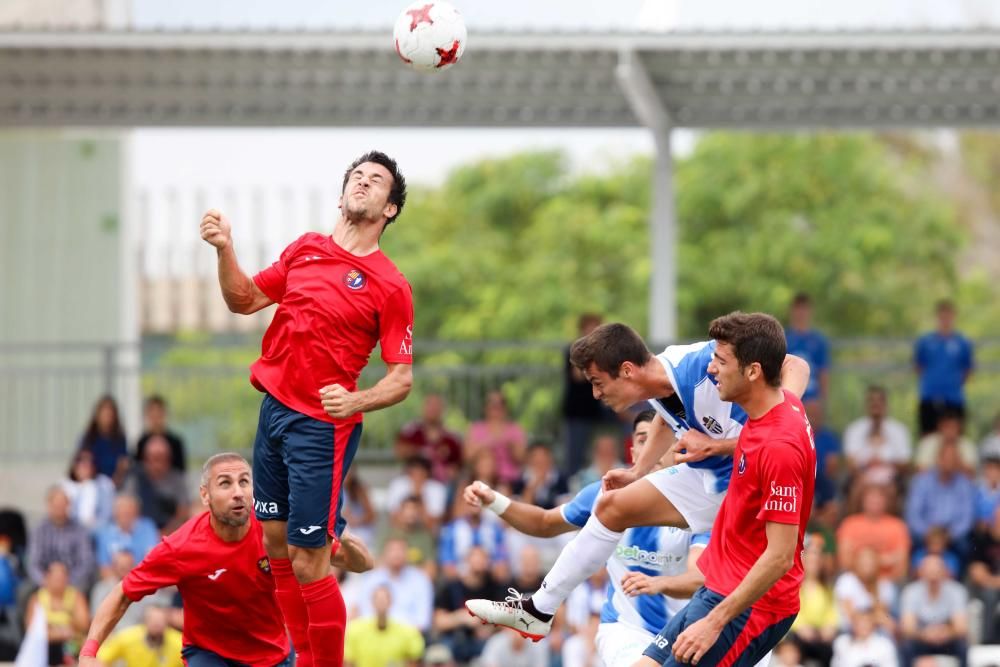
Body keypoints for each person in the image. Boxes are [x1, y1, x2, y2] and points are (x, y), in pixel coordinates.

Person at [465, 317, 810, 640]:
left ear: (627, 371)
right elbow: (665, 416)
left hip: (746, 490)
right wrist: (638, 471)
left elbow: (795, 367)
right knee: (612, 505)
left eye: (599, 383)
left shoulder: (704, 365)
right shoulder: (662, 383)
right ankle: (540, 610)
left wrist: (719, 444)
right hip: (711, 479)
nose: (597, 395)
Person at [200, 150, 413, 667]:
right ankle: (297, 658)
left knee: (308, 558)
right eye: (356, 177)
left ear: (390, 209)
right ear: (341, 194)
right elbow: (245, 300)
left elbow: (402, 378)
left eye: (376, 181)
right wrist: (225, 249)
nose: (363, 183)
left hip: (323, 426)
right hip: (273, 410)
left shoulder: (390, 284)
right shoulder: (306, 249)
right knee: (275, 547)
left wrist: (356, 399)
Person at [464, 410, 715, 667]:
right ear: (633, 454)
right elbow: (544, 522)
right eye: (642, 439)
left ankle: (537, 609)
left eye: (660, 439)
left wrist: (658, 583)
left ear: (676, 447)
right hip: (624, 629)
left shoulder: (699, 505)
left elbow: (700, 578)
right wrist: (495, 501)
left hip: (688, 630)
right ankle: (538, 609)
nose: (651, 448)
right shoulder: (606, 494)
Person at [638, 312, 817, 666]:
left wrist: (715, 622)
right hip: (718, 585)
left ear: (753, 372)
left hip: (747, 607)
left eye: (720, 361)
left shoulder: (780, 445)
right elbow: (796, 365)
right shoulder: (767, 409)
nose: (710, 370)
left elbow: (780, 557)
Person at [80, 453, 374, 667]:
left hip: (273, 656)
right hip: (208, 655)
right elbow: (122, 594)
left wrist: (339, 531)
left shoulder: (277, 531)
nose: (238, 493)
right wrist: (88, 653)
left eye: (244, 482)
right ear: (205, 495)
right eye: (225, 483)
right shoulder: (181, 547)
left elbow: (362, 564)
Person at [562, 313, 615, 476]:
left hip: (598, 410)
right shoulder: (574, 350)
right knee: (575, 454)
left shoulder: (604, 352)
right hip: (577, 411)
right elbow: (578, 376)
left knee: (605, 445)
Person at [914, 299, 974, 435]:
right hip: (929, 397)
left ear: (954, 317)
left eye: (948, 316)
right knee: (928, 438)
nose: (945, 320)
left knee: (955, 439)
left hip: (954, 398)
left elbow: (967, 369)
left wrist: (953, 383)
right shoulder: (925, 341)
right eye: (942, 316)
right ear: (937, 317)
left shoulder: (962, 343)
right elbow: (918, 367)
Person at [905, 441, 975, 557]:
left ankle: (957, 572)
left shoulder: (965, 484)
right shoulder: (922, 481)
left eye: (953, 459)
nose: (949, 462)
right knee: (910, 537)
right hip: (926, 533)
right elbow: (913, 514)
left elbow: (967, 518)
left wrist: (949, 535)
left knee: (967, 544)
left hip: (952, 536)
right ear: (938, 459)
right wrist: (928, 533)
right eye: (946, 458)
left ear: (958, 461)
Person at [900, 555, 968, 667]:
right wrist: (924, 634)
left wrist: (947, 633)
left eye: (936, 572)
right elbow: (907, 627)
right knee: (906, 647)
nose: (933, 576)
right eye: (929, 572)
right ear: (921, 573)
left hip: (947, 639)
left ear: (944, 572)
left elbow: (961, 627)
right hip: (922, 637)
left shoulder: (956, 590)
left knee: (962, 646)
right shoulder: (911, 591)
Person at [355, 537, 434, 633]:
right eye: (392, 550)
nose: (396, 554)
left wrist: (395, 633)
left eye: (400, 550)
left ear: (408, 554)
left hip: (409, 638)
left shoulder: (420, 580)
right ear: (384, 554)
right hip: (375, 635)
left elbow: (423, 621)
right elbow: (364, 614)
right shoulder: (371, 579)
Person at [836, 484, 911, 581]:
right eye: (871, 499)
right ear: (862, 500)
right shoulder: (849, 524)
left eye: (879, 499)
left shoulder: (898, 526)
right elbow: (844, 562)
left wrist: (864, 560)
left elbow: (901, 565)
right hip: (855, 581)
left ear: (886, 501)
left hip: (887, 582)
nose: (875, 502)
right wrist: (885, 560)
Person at [842, 385, 911, 488]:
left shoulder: (900, 430)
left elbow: (905, 465)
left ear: (886, 405)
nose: (876, 404)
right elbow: (850, 464)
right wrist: (866, 468)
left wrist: (884, 463)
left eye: (880, 400)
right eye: (872, 401)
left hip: (891, 478)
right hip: (861, 477)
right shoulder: (854, 429)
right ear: (866, 405)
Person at [27, 486, 95, 590]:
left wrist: (67, 581)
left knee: (85, 587)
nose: (59, 508)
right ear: (49, 505)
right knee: (25, 592)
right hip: (45, 580)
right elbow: (33, 562)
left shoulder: (80, 530)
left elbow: (85, 562)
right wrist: (45, 581)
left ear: (69, 505)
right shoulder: (39, 530)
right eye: (56, 505)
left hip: (72, 580)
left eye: (62, 505)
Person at [122, 434, 190, 533]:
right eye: (154, 458)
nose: (158, 464)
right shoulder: (135, 478)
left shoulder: (177, 479)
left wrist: (165, 533)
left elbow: (183, 512)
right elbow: (126, 508)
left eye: (162, 458)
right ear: (145, 459)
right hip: (139, 533)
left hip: (171, 533)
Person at [26, 561, 90, 664]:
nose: (59, 582)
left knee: (76, 647)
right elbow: (33, 631)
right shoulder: (37, 599)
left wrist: (53, 627)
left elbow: (84, 625)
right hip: (46, 647)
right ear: (47, 578)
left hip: (71, 645)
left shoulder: (76, 597)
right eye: (56, 578)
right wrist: (63, 631)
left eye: (62, 578)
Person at [344, 586, 425, 667]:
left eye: (384, 599)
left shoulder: (408, 632)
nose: (381, 603)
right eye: (378, 599)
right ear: (372, 602)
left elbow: (415, 659)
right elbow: (348, 662)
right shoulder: (355, 630)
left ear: (390, 602)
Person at [394, 394, 463, 483]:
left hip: (442, 484)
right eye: (430, 405)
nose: (433, 410)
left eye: (436, 406)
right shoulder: (411, 431)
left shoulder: (452, 438)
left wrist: (451, 472)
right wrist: (422, 452)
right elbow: (399, 451)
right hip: (412, 480)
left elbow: (459, 465)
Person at [465, 390, 527, 486]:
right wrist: (489, 441)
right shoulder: (476, 428)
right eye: (492, 403)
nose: (496, 408)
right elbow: (467, 456)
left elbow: (522, 458)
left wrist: (510, 444)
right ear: (485, 407)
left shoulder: (514, 429)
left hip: (509, 480)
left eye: (500, 404)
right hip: (482, 479)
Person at [95, 605, 184, 667]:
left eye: (160, 620)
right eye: (153, 620)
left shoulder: (179, 643)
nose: (157, 624)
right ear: (145, 622)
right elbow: (100, 659)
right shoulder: (128, 638)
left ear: (167, 623)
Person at [94, 495, 160, 578]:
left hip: (142, 579)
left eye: (128, 513)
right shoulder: (105, 533)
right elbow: (104, 569)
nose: (125, 516)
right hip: (115, 582)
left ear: (136, 512)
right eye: (122, 512)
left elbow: (152, 560)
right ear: (115, 513)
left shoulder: (147, 527)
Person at [783, 293, 829, 409]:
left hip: (811, 398)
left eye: (804, 308)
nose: (801, 313)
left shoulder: (818, 340)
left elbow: (823, 372)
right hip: (789, 395)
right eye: (798, 308)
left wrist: (822, 401)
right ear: (792, 311)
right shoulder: (784, 337)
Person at [77, 395, 129, 486]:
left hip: (115, 483)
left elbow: (123, 464)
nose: (107, 416)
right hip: (92, 483)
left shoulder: (120, 439)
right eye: (104, 413)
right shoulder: (88, 438)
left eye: (110, 413)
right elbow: (82, 464)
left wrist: (115, 481)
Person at [61, 448, 116, 532]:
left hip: (99, 531)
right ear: (75, 465)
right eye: (82, 463)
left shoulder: (105, 484)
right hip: (71, 532)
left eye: (90, 463)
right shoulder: (65, 485)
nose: (86, 467)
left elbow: (108, 514)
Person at [913, 409, 977, 474]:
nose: (950, 431)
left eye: (953, 427)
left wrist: (955, 461)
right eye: (947, 427)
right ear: (940, 426)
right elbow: (919, 471)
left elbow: (972, 473)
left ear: (960, 427)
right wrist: (942, 465)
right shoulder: (927, 443)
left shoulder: (968, 446)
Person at [830, 608, 899, 667]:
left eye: (865, 622)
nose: (862, 626)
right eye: (858, 622)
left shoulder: (884, 645)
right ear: (852, 624)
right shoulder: (842, 643)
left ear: (872, 624)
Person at [135, 395, 187, 472]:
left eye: (158, 413)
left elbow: (181, 472)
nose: (156, 418)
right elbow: (137, 470)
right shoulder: (142, 442)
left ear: (164, 414)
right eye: (152, 413)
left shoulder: (175, 442)